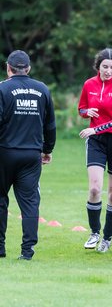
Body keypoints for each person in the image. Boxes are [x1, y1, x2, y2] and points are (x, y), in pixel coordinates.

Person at [0, 50, 56, 260]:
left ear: (8, 68)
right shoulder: (42, 89)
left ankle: (0, 247)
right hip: (32, 155)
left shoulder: (2, 89)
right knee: (30, 202)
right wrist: (47, 149)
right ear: (28, 68)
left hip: (4, 153)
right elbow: (50, 124)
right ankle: (27, 251)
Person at [78, 47, 112, 253]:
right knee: (94, 188)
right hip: (96, 140)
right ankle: (94, 232)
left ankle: (107, 238)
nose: (109, 71)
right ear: (98, 66)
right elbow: (81, 108)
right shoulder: (89, 84)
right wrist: (86, 112)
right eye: (105, 67)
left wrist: (95, 128)